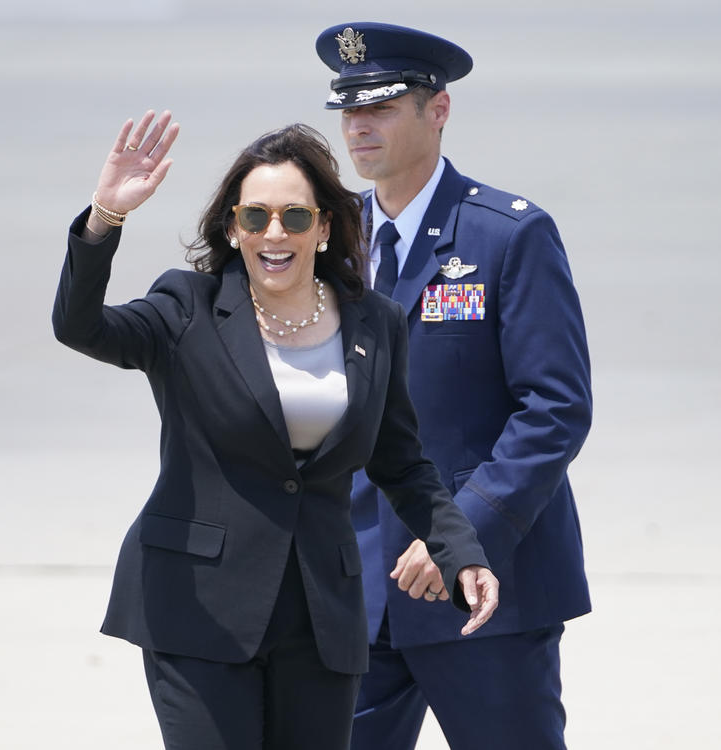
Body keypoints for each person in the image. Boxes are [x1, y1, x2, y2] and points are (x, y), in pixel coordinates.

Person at [51, 111, 499, 750]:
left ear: (323, 227)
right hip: (198, 607)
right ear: (233, 229)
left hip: (322, 617)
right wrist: (105, 216)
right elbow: (80, 326)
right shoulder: (187, 308)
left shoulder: (375, 323)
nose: (274, 233)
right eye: (255, 217)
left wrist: (462, 551)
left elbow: (402, 464)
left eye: (294, 216)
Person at [315, 23, 593, 750]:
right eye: (348, 108)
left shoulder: (506, 236)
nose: (358, 125)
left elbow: (555, 409)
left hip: (485, 592)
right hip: (356, 589)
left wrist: (461, 535)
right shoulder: (325, 240)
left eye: (380, 106)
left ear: (437, 111)